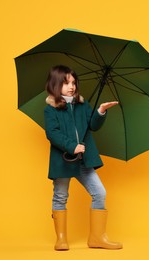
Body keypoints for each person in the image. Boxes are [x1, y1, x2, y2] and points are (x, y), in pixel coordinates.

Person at [43, 65, 122, 251]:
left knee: (99, 193)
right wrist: (72, 146)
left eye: (73, 82)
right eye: (66, 83)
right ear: (55, 85)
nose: (71, 86)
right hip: (62, 160)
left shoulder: (82, 105)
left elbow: (93, 125)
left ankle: (97, 237)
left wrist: (101, 111)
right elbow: (52, 133)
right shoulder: (51, 109)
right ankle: (61, 238)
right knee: (61, 196)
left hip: (83, 161)